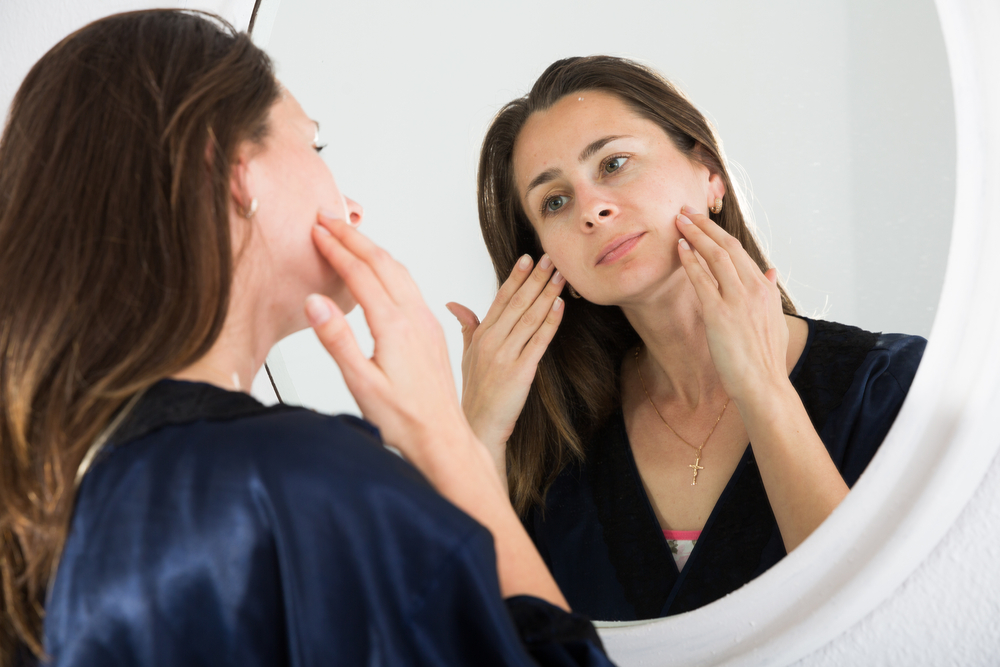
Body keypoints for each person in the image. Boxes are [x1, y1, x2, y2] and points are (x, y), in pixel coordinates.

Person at [0, 12, 615, 666]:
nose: (352, 206)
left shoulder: (55, 506)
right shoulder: (303, 484)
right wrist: (444, 436)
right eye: (315, 146)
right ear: (234, 171)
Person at [446, 56, 926, 621]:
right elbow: (468, 634)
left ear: (709, 174)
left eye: (614, 163)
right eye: (555, 201)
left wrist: (764, 390)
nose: (592, 210)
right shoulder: (551, 445)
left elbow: (893, 625)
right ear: (549, 260)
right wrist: (477, 436)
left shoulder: (892, 385)